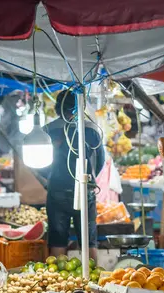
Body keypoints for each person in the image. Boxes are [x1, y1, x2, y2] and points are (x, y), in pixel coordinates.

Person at [44, 89, 105, 261]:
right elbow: (100, 161)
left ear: (58, 108)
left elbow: (38, 164)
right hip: (86, 190)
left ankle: (56, 280)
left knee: (57, 238)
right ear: (80, 107)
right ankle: (93, 280)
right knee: (89, 240)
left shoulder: (48, 130)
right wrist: (89, 177)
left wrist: (48, 177)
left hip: (57, 190)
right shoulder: (92, 129)